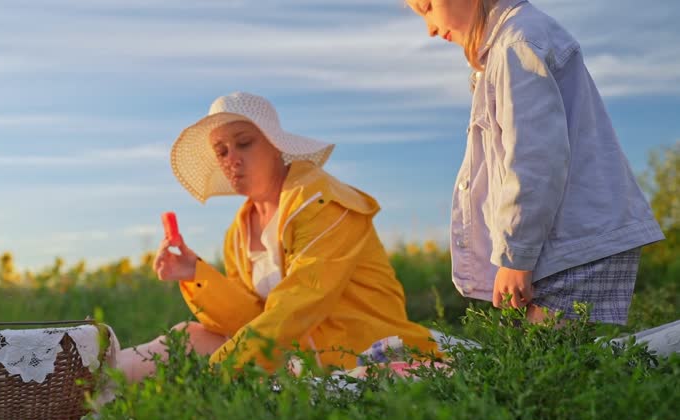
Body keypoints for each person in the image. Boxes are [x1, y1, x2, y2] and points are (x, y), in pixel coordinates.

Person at [116, 92, 440, 381]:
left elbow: (299, 303)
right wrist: (195, 274)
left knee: (198, 354)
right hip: (293, 351)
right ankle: (97, 377)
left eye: (244, 143)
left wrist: (220, 371)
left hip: (354, 350)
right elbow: (252, 318)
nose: (232, 159)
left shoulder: (322, 203)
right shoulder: (238, 233)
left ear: (276, 146)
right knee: (186, 335)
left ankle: (101, 379)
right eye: (221, 151)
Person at [403, 0, 664, 325]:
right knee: (548, 351)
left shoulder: (516, 43)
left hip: (575, 243)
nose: (430, 29)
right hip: (569, 241)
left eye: (427, 6)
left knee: (546, 354)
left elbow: (534, 157)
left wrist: (516, 257)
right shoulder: (512, 41)